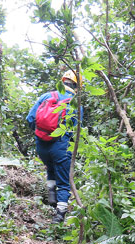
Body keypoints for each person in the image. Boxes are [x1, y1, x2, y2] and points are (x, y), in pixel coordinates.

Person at [26, 70, 81, 224]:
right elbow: (75, 130)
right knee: (64, 181)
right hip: (61, 146)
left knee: (50, 167)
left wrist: (42, 134)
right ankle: (59, 215)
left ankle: (51, 197)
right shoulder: (75, 102)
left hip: (41, 146)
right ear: (77, 86)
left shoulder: (46, 96)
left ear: (62, 81)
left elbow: (30, 118)